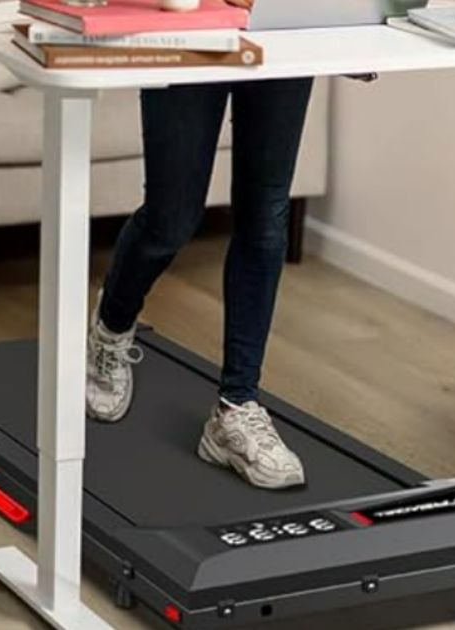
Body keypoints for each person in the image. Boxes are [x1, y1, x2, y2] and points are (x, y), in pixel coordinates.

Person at [86, 0, 312, 490]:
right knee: (171, 219)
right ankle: (111, 326)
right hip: (186, 26)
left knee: (266, 218)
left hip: (280, 28)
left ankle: (235, 408)